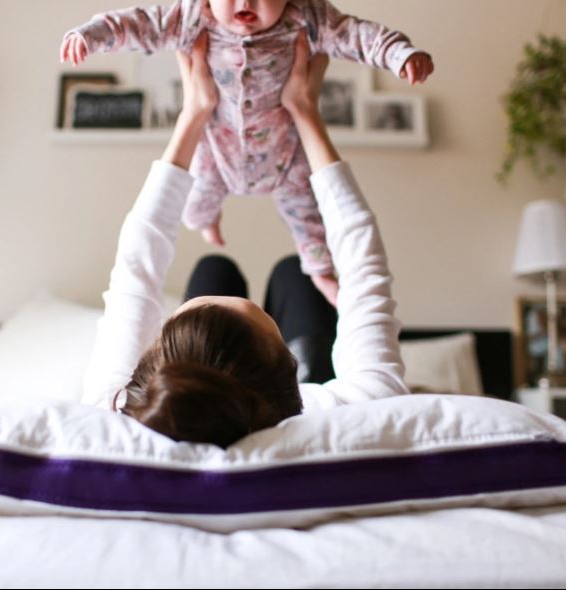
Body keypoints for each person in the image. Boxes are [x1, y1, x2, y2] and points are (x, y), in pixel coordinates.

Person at [82, 32, 409, 448]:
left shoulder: (113, 409)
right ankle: (309, 357)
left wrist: (196, 114)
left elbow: (136, 262)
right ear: (292, 375)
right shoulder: (351, 409)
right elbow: (138, 262)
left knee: (213, 270)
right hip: (303, 377)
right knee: (296, 272)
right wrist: (304, 111)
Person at [61, 0, 434, 305]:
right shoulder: (192, 16)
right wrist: (91, 36)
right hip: (217, 152)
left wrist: (400, 53)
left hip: (286, 154)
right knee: (192, 206)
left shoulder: (307, 17)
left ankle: (320, 274)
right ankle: (209, 222)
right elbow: (139, 24)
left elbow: (358, 34)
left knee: (311, 218)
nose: (245, 4)